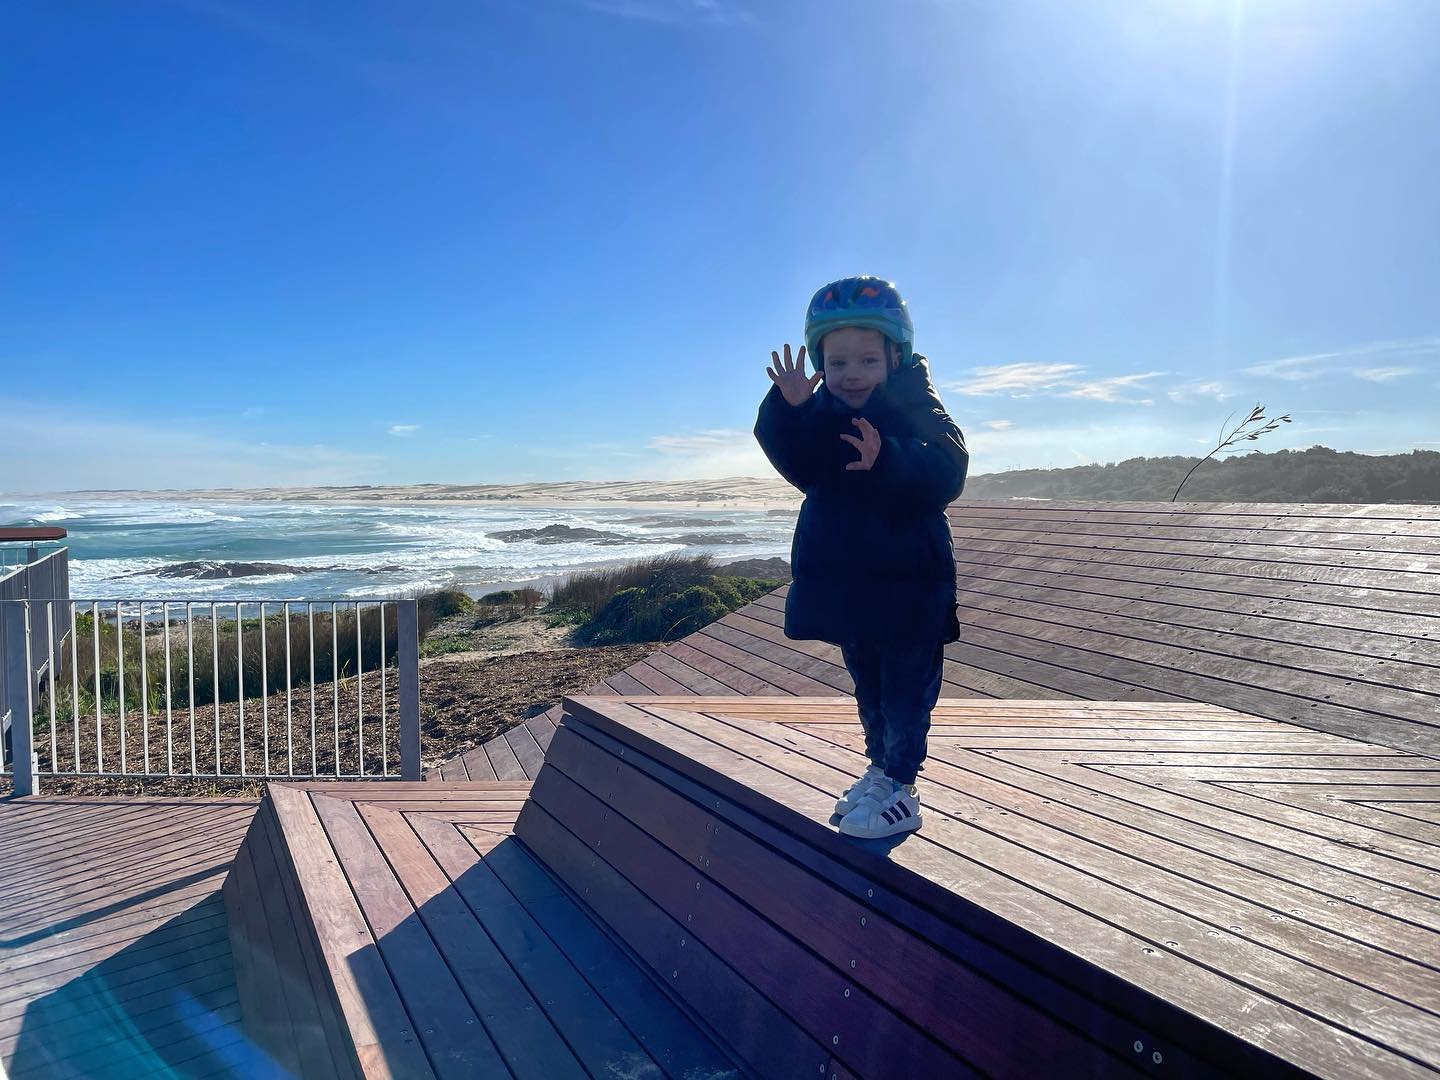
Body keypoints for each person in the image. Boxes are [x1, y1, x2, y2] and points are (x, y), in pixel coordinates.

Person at [753, 276, 968, 839]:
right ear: (819, 360)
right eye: (839, 360)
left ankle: (901, 786)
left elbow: (949, 470)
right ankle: (879, 771)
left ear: (895, 357)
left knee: (905, 689)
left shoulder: (917, 405)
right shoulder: (820, 408)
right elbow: (802, 466)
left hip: (909, 586)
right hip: (850, 585)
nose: (852, 373)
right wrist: (793, 410)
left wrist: (887, 458)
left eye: (868, 359)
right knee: (869, 686)